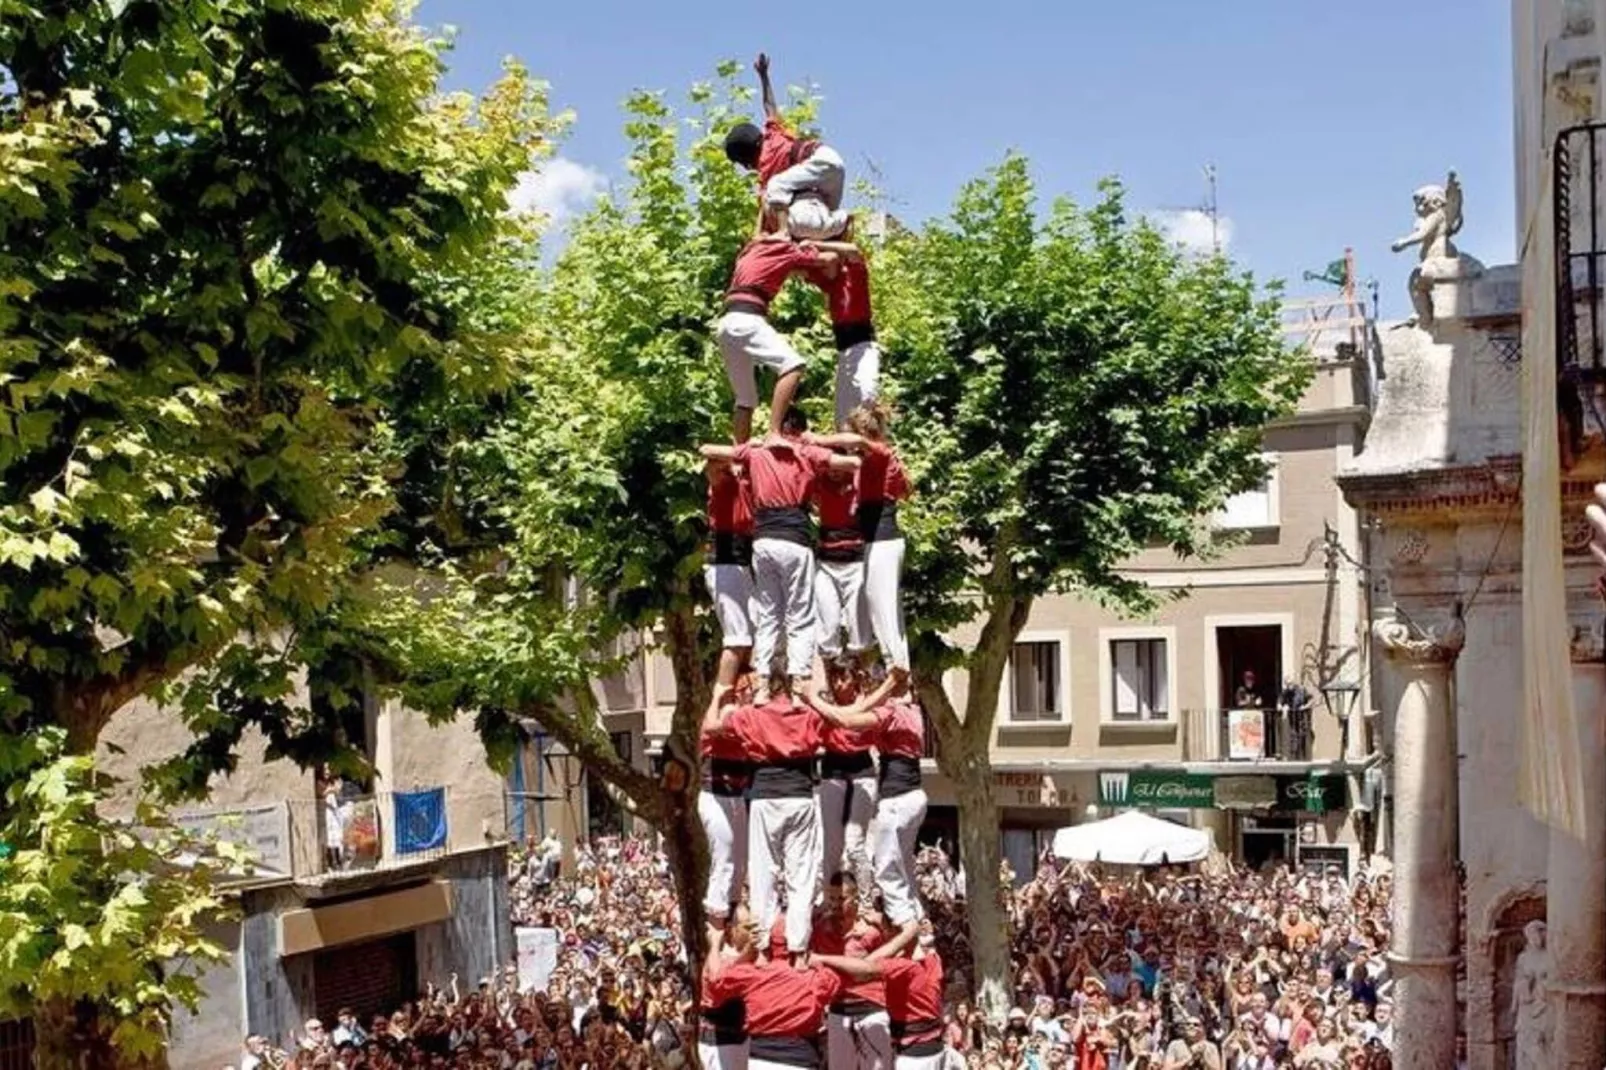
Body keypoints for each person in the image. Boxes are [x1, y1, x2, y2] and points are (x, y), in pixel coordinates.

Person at [701, 410, 859, 696]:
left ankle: (764, 683)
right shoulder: (787, 456)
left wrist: (747, 451)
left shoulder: (759, 460)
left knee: (767, 620)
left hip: (753, 552)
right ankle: (740, 696)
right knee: (745, 636)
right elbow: (711, 459)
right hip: (729, 556)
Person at [710, 668, 828, 961]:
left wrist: (719, 698)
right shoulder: (809, 714)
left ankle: (763, 950)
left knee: (764, 874)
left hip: (765, 798)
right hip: (800, 796)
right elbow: (827, 731)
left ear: (767, 684)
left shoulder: (750, 715)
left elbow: (712, 727)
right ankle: (798, 951)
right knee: (801, 876)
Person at [806, 669, 927, 926]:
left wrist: (812, 699)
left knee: (886, 868)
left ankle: (904, 924)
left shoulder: (890, 711)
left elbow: (848, 721)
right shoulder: (914, 710)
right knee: (903, 865)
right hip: (914, 796)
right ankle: (918, 919)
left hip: (896, 799)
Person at [716, 234, 858, 443]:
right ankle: (774, 432)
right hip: (747, 319)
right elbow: (829, 260)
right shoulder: (784, 248)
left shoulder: (750, 251)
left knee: (745, 399)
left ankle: (740, 452)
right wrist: (812, 246)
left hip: (726, 323)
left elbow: (778, 269)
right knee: (793, 365)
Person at [725, 53, 849, 242]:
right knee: (821, 212)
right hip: (832, 166)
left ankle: (784, 232)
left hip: (820, 162)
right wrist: (764, 76)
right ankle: (841, 223)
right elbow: (769, 106)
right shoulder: (773, 134)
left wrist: (759, 235)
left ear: (746, 159)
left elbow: (766, 204)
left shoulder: (766, 164)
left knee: (775, 188)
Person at [836, 402, 911, 673]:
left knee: (884, 611)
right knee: (881, 607)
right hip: (876, 542)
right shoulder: (870, 462)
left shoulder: (879, 453)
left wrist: (812, 440)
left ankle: (897, 670)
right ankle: (897, 667)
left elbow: (854, 441)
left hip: (884, 541)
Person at [808, 872, 900, 1070]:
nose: (836, 905)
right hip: (838, 1011)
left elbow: (890, 960)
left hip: (871, 1008)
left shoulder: (871, 929)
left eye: (842, 899)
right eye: (832, 899)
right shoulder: (822, 928)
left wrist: (882, 924)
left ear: (855, 896)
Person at [815, 663, 878, 901]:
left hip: (862, 768)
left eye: (844, 678)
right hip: (833, 768)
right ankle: (828, 898)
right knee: (831, 844)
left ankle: (865, 899)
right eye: (835, 679)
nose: (839, 684)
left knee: (855, 842)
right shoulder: (824, 706)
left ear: (855, 679)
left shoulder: (867, 702)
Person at [700, 679, 754, 937]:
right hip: (715, 795)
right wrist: (718, 698)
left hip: (737, 796)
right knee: (724, 858)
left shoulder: (746, 716)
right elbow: (712, 730)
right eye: (744, 690)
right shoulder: (725, 715)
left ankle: (731, 913)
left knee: (740, 861)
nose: (749, 694)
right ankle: (717, 924)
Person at [705, 456, 757, 719]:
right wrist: (734, 461)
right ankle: (722, 701)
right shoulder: (724, 481)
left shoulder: (750, 482)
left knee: (754, 636)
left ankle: (742, 693)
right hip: (725, 561)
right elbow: (711, 464)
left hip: (743, 560)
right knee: (737, 638)